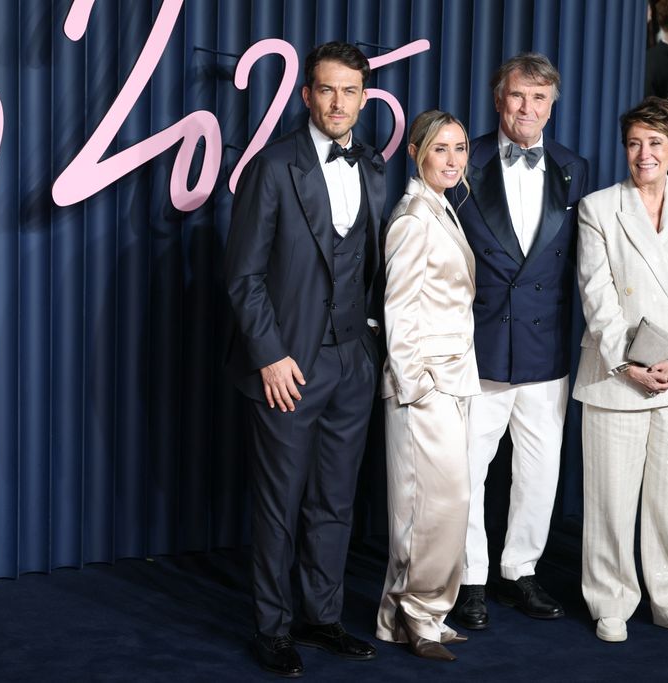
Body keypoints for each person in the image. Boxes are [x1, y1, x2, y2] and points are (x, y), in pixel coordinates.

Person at [223, 42, 385, 677]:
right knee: (279, 504)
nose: (339, 102)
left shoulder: (373, 165)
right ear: (306, 96)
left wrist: (368, 345)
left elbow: (371, 266)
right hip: (289, 367)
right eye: (327, 90)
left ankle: (321, 617)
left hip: (352, 361)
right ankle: (273, 627)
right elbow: (243, 275)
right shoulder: (273, 166)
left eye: (350, 91)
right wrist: (269, 356)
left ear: (363, 97)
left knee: (335, 501)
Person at [449, 53, 590, 632]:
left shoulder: (574, 167)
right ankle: (471, 578)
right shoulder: (463, 160)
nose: (527, 109)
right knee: (467, 471)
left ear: (552, 106)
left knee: (539, 472)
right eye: (517, 97)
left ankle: (521, 569)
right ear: (497, 99)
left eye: (539, 99)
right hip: (479, 346)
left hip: (546, 349)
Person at [573, 97, 668, 644]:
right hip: (616, 377)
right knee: (611, 497)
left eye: (655, 142)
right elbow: (597, 296)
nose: (644, 153)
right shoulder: (598, 208)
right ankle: (610, 600)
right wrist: (632, 363)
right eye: (635, 142)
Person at [375, 110, 481, 663]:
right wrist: (416, 386)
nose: (452, 159)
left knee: (435, 508)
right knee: (435, 506)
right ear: (416, 151)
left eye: (459, 148)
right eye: (440, 149)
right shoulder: (414, 217)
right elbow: (399, 311)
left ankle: (412, 616)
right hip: (426, 385)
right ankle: (420, 615)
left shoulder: (441, 208)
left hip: (451, 378)